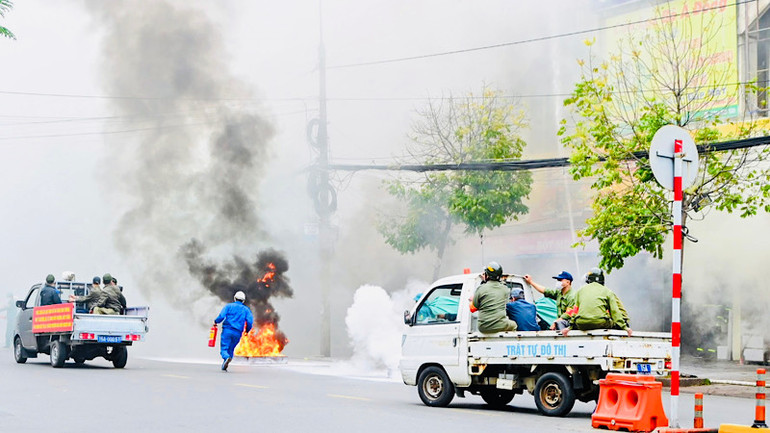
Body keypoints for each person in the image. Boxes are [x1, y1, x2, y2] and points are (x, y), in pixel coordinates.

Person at [562, 267, 632, 337]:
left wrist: (569, 327)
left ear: (588, 279)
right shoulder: (607, 291)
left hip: (581, 324)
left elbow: (575, 312)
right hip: (600, 323)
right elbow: (615, 312)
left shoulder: (579, 291)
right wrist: (625, 327)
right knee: (616, 324)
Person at [213, 290, 254, 372]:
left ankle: (226, 358)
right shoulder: (246, 310)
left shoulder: (229, 306)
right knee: (231, 348)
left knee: (224, 348)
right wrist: (247, 330)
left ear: (235, 298)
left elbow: (221, 316)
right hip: (238, 333)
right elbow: (250, 321)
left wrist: (216, 321)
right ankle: (226, 362)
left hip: (227, 331)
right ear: (243, 300)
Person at [472, 262, 517, 333]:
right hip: (501, 325)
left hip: (483, 327)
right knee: (514, 325)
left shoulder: (481, 289)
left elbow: (474, 307)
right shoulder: (505, 289)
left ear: (487, 275)